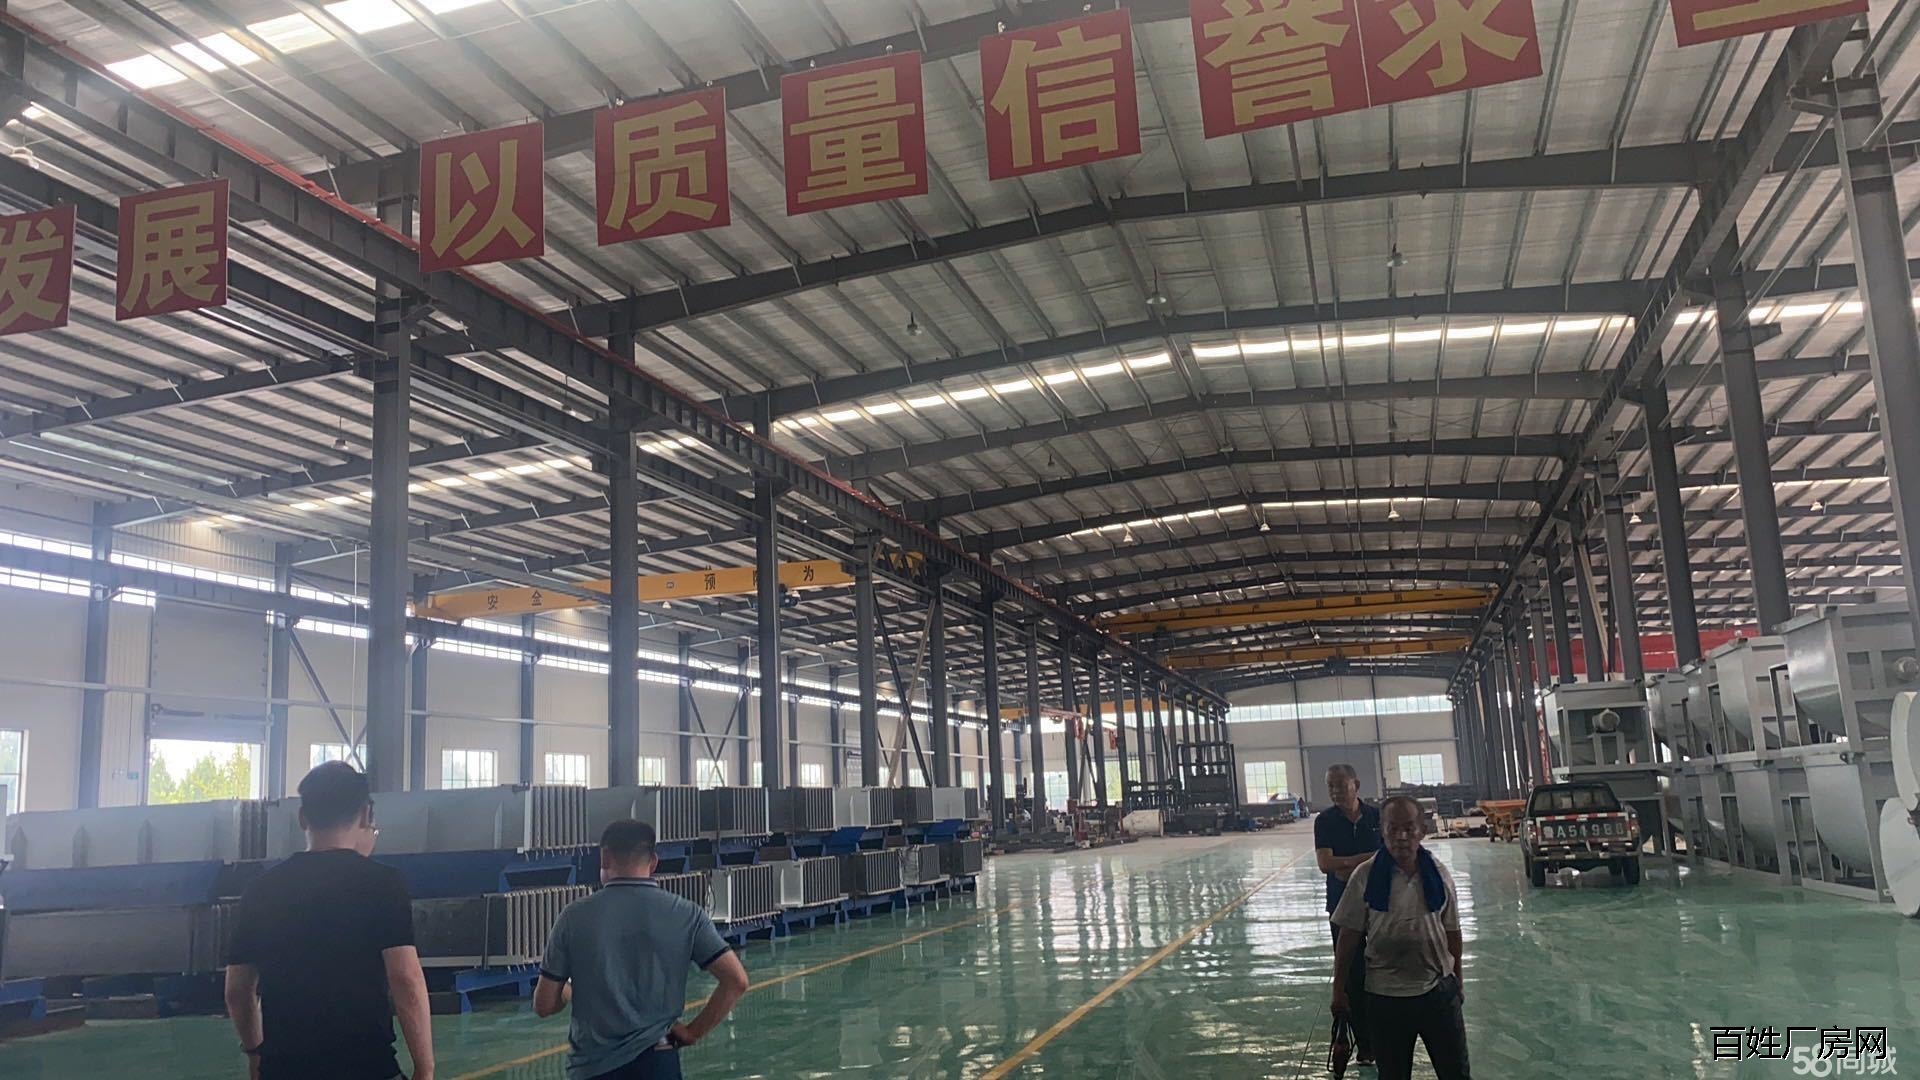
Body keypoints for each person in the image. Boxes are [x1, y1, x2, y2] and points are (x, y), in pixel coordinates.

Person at [225, 761, 434, 1080]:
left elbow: (238, 990)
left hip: (284, 1069)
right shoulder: (382, 883)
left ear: (302, 818)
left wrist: (256, 1053)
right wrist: (424, 1068)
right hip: (366, 1067)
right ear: (365, 815)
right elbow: (405, 979)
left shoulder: (261, 889)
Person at [535, 820, 751, 1079]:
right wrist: (692, 1032)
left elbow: (544, 1005)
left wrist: (572, 991)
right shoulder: (686, 914)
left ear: (605, 858)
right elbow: (736, 981)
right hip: (659, 1060)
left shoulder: (573, 917)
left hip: (592, 1067)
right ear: (654, 862)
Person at [1330, 795, 1470, 1080]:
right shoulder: (1365, 876)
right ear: (1382, 831)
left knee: (1455, 1073)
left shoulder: (1439, 875)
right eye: (1392, 829)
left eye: (1409, 828)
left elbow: (1452, 932)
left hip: (1437, 992)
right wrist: (1339, 989)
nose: (1401, 837)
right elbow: (1348, 937)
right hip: (1385, 997)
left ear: (1422, 831)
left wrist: (1457, 980)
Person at [1314, 763, 1381, 1065]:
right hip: (1341, 906)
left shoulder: (1377, 817)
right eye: (1330, 786)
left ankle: (1384, 1038)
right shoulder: (1325, 821)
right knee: (1352, 974)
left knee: (1381, 970)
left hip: (1379, 905)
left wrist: (1347, 864)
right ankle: (1365, 1045)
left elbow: (1389, 855)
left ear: (1356, 784)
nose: (1335, 791)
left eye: (1341, 785)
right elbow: (1325, 864)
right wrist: (1366, 860)